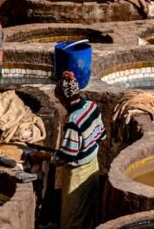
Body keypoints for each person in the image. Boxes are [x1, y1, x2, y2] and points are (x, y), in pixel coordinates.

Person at [53, 70, 104, 229]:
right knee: (89, 212)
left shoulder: (73, 121)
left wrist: (48, 158)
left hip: (77, 173)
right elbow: (101, 136)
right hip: (93, 167)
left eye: (59, 99)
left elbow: (68, 156)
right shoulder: (92, 107)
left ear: (63, 99)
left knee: (73, 219)